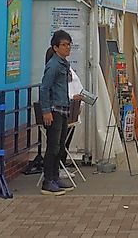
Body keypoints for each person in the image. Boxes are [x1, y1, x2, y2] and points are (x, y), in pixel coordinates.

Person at [40, 30, 83, 195]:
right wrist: (46, 111)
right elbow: (44, 88)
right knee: (53, 146)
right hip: (54, 110)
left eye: (69, 45)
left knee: (60, 146)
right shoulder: (54, 65)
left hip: (63, 108)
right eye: (64, 45)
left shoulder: (64, 64)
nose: (67, 48)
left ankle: (55, 177)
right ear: (56, 47)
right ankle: (48, 180)